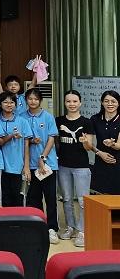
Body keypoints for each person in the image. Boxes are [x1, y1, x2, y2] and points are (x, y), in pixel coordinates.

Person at [20, 88, 60, 244]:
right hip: (29, 165)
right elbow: (23, 140)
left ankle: (52, 229)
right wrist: (31, 141)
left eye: (36, 99)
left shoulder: (48, 117)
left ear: (40, 100)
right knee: (33, 198)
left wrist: (43, 157)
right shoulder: (21, 117)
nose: (33, 101)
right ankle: (38, 226)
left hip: (48, 165)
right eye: (30, 98)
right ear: (26, 100)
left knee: (50, 198)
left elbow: (51, 139)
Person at [56, 90, 94, 247]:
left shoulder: (87, 122)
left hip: (81, 167)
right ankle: (70, 227)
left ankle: (82, 231)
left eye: (74, 101)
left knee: (83, 201)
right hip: (63, 166)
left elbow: (89, 147)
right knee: (66, 199)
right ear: (65, 103)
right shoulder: (58, 120)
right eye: (68, 101)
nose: (71, 104)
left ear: (80, 103)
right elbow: (55, 142)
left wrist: (85, 142)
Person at [0, 92, 32, 207]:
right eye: (5, 102)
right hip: (1, 167)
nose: (9, 104)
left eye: (12, 102)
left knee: (18, 199)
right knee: (4, 199)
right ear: (0, 104)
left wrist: (26, 167)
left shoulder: (22, 121)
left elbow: (26, 145)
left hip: (18, 167)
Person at [90, 90, 120, 194]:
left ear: (118, 103)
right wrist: (99, 153)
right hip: (100, 163)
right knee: (100, 197)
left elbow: (119, 145)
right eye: (106, 101)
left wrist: (112, 144)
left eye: (113, 101)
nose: (110, 104)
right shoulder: (95, 119)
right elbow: (89, 143)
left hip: (117, 164)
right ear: (102, 103)